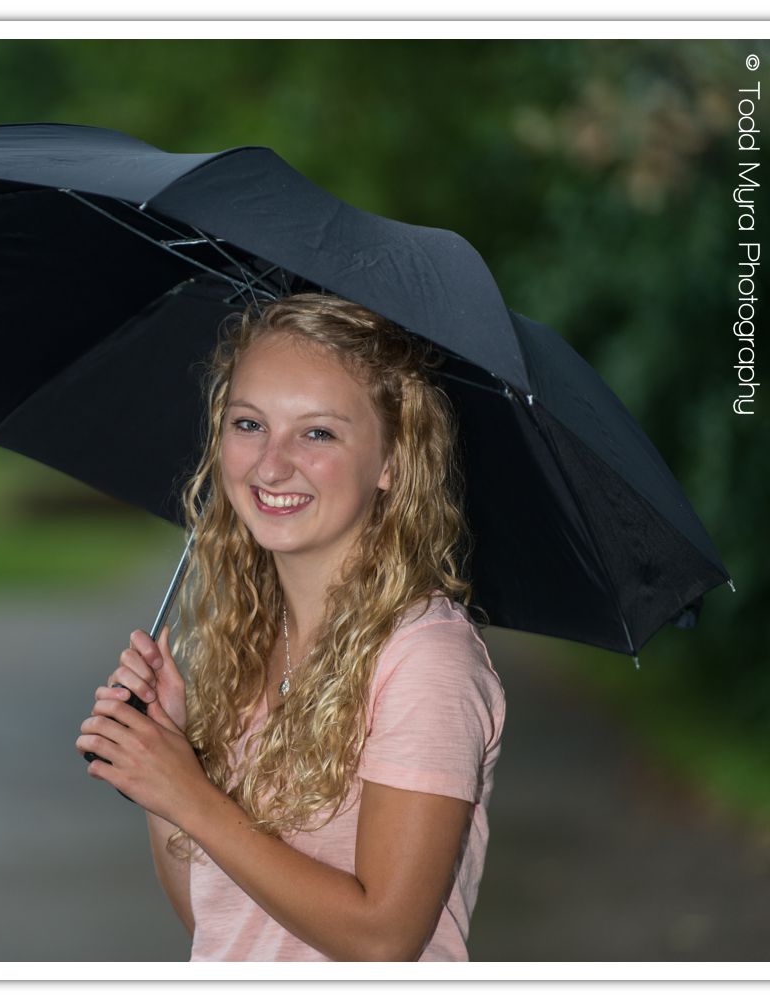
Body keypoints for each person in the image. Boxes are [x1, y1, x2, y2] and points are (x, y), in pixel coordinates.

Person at [75, 292, 505, 962]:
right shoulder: (246, 641)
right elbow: (223, 926)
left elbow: (383, 937)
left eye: (318, 433)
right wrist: (165, 762)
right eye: (249, 424)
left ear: (391, 460)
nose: (271, 464)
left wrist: (191, 795)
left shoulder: (425, 658)